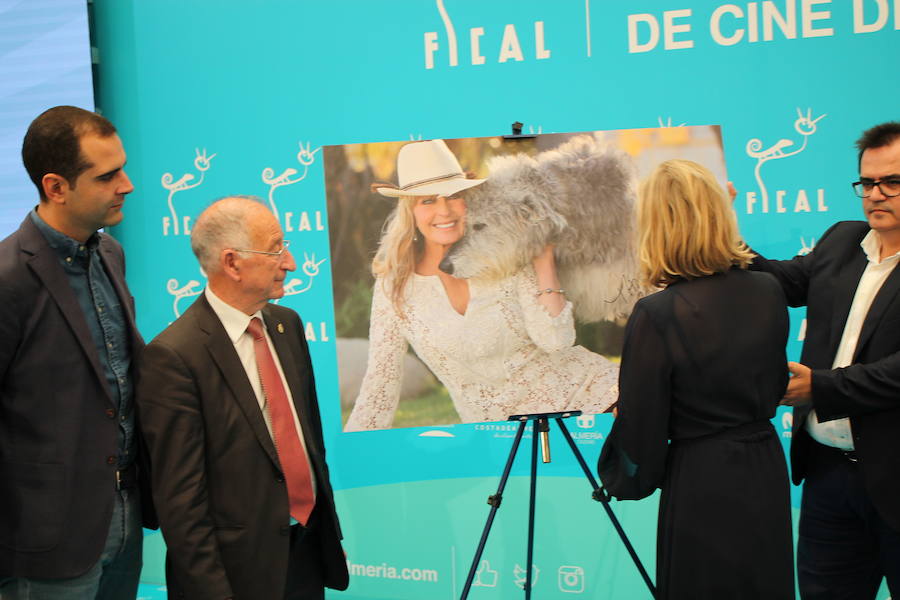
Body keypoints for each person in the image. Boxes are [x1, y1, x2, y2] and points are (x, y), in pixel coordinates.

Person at [597, 159, 794, 599]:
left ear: (655, 227)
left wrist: (619, 477)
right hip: (765, 469)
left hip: (702, 482)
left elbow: (640, 439)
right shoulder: (769, 290)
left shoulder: (657, 314)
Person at [136, 196, 349, 600]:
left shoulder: (287, 325)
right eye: (275, 249)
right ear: (231, 263)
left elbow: (308, 443)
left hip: (305, 553)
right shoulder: (174, 357)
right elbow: (181, 501)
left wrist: (325, 532)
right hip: (235, 574)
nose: (290, 262)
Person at [344, 139, 618, 431]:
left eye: (453, 196)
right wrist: (350, 457)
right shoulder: (394, 288)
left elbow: (556, 341)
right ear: (410, 212)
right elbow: (380, 384)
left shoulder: (505, 257)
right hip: (501, 439)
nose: (444, 211)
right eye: (428, 200)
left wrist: (542, 259)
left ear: (469, 201)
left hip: (598, 402)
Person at [0, 106, 156, 598]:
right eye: (107, 175)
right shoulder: (7, 279)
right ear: (56, 186)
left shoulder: (111, 253)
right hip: (44, 540)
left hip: (124, 516)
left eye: (123, 168)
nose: (126, 184)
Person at [747, 122, 900, 599]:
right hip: (828, 477)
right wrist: (712, 229)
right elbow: (779, 280)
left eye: (892, 182)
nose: (875, 195)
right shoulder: (841, 240)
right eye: (866, 183)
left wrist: (822, 387)